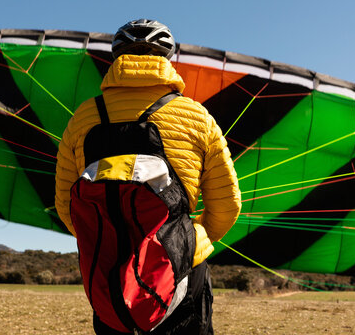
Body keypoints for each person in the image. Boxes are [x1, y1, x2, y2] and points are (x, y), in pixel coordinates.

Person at [55, 19, 241, 334]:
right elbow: (227, 204)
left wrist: (108, 238)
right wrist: (193, 240)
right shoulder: (197, 116)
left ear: (117, 57)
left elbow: (65, 203)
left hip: (109, 272)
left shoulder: (83, 118)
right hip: (182, 263)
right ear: (166, 58)